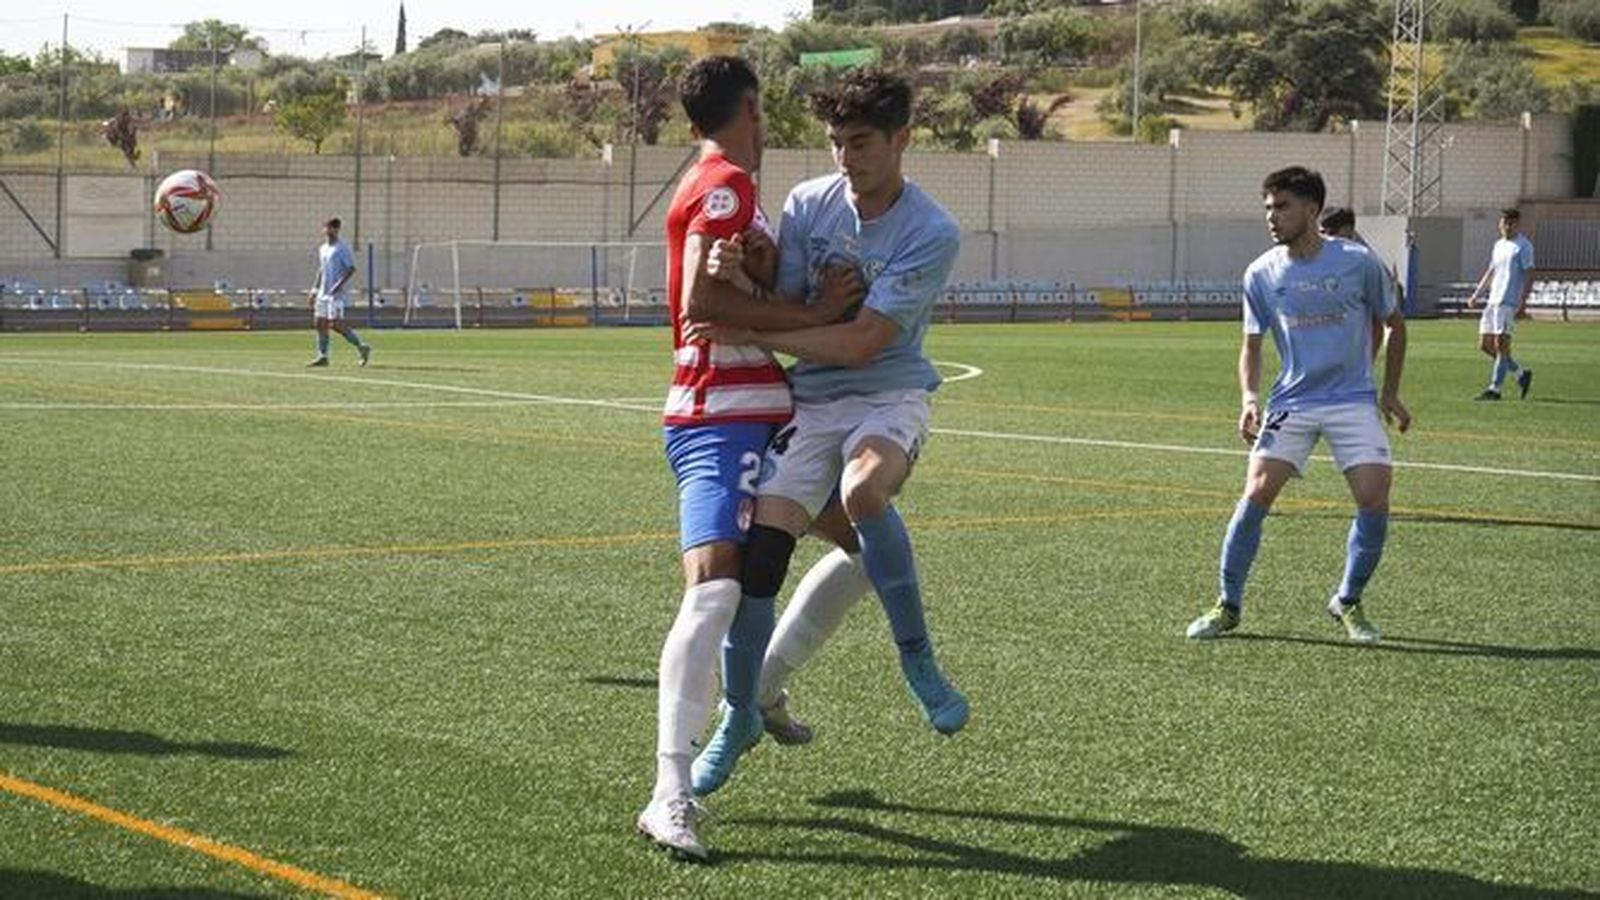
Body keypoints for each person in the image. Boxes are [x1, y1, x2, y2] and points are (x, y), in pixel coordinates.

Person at [685, 68, 970, 800]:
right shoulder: (808, 202)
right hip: (810, 400)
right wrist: (743, 270)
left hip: (886, 392)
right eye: (836, 142)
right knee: (760, 562)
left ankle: (918, 662)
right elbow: (794, 302)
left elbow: (863, 343)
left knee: (864, 490)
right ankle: (740, 715)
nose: (847, 158)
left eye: (863, 142)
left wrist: (750, 321)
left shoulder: (931, 231)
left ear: (902, 139)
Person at [636, 55, 862, 863]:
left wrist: (769, 285)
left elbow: (733, 293)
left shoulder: (731, 188)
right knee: (714, 590)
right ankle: (670, 791)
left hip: (771, 414)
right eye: (762, 110)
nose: (769, 126)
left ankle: (761, 685)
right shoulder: (724, 180)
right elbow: (701, 301)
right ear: (741, 110)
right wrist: (809, 311)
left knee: (872, 548)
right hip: (720, 417)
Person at [1185, 166, 1411, 644]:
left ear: (1311, 209)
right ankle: (1228, 605)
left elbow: (1394, 322)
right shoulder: (1261, 272)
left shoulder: (1357, 262)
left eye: (1282, 206)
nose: (1272, 217)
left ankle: (1347, 600)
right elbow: (1251, 343)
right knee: (1255, 496)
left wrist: (1388, 391)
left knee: (1374, 497)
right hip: (1293, 400)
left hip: (1351, 399)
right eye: (1268, 207)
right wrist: (1249, 397)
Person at [1464, 209, 1535, 401]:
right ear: (1500, 224)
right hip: (1492, 300)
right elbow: (1491, 271)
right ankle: (1520, 373)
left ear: (1517, 224)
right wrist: (1476, 295)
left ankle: (1495, 389)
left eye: (1511, 223)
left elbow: (1529, 274)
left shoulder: (1523, 246)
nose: (1506, 226)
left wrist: (1523, 303)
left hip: (1508, 301)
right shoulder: (1498, 245)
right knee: (1485, 345)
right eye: (1504, 222)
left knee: (1501, 344)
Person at [306, 217, 371, 367]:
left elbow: (351, 268)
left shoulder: (342, 248)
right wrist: (314, 290)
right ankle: (323, 356)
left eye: (332, 228)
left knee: (335, 324)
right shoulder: (323, 248)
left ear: (337, 230)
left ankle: (362, 346)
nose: (328, 231)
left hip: (336, 294)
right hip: (323, 292)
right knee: (319, 323)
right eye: (326, 228)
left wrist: (338, 285)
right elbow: (321, 269)